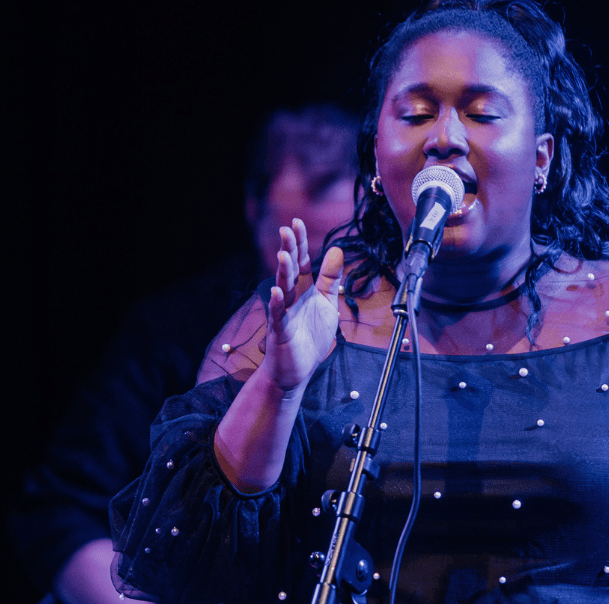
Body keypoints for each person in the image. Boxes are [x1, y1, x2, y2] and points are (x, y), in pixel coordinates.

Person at [110, 0, 609, 603]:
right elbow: (195, 548)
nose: (445, 139)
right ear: (376, 159)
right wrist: (281, 380)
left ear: (543, 159)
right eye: (416, 113)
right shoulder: (303, 317)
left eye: (482, 113)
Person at [10, 104, 359, 604]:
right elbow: (61, 510)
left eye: (335, 250)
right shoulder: (173, 328)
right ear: (252, 210)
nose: (310, 278)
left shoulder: (403, 330)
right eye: (290, 248)